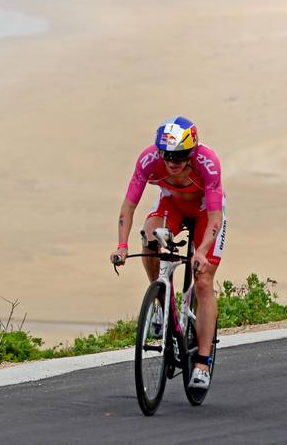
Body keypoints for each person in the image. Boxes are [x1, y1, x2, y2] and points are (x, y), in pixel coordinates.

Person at [110, 115, 226, 390]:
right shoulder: (149, 160)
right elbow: (128, 207)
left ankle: (202, 362)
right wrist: (122, 246)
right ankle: (160, 299)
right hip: (171, 205)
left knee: (204, 280)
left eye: (180, 155)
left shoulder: (208, 163)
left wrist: (202, 253)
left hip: (204, 213)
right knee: (149, 238)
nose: (172, 162)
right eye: (167, 155)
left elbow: (215, 220)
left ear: (192, 152)